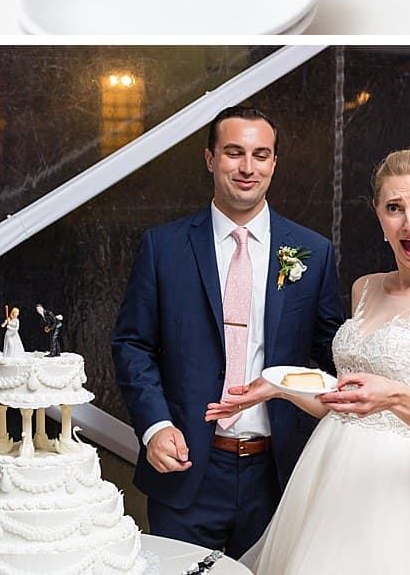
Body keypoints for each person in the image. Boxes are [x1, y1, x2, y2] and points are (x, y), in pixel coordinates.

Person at [209, 145, 410, 575]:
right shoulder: (367, 288)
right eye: (394, 208)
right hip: (324, 477)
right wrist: (280, 387)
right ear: (379, 215)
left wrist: (397, 399)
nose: (409, 222)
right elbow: (344, 403)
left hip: (392, 497)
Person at [111, 104, 342, 557]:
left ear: (274, 163)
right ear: (210, 158)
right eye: (234, 152)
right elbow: (132, 345)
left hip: (278, 475)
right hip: (188, 470)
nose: (247, 167)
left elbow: (334, 354)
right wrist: (155, 426)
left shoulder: (313, 253)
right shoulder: (164, 247)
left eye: (261, 154)